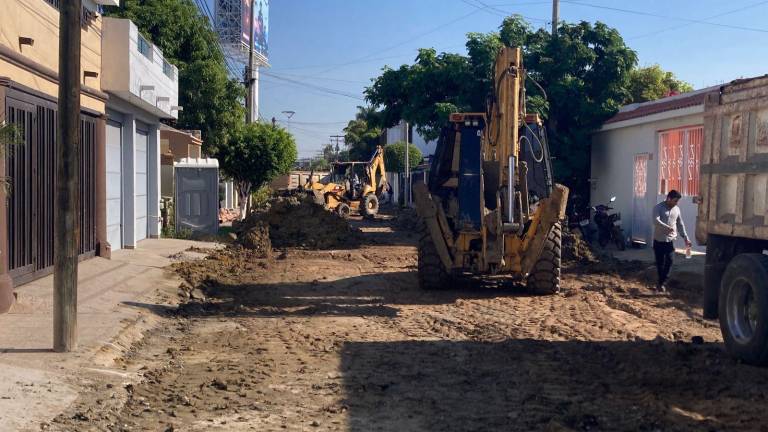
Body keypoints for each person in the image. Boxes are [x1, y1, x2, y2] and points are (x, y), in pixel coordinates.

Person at [652, 190, 692, 293]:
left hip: (670, 241)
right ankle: (660, 284)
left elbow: (680, 224)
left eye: (677, 201)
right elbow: (655, 221)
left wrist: (686, 237)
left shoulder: (677, 209)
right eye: (675, 200)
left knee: (670, 261)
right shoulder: (658, 207)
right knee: (660, 263)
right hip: (659, 240)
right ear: (669, 198)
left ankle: (662, 283)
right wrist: (666, 227)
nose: (676, 203)